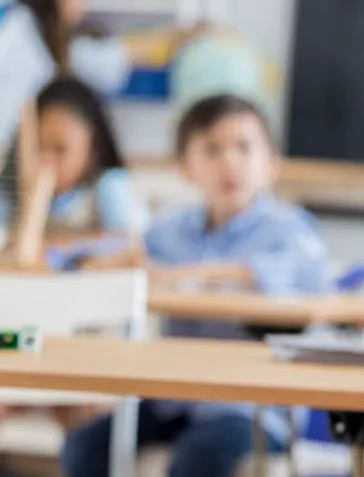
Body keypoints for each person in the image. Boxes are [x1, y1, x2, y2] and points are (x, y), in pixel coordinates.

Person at [60, 94, 331, 477]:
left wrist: (178, 276)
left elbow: (307, 276)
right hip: (174, 399)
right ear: (185, 167)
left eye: (243, 147)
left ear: (271, 164)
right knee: (86, 444)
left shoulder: (289, 228)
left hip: (250, 408)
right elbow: (105, 256)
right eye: (212, 150)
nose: (229, 162)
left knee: (195, 460)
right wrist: (105, 262)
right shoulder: (171, 229)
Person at [0, 0, 198, 158]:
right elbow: (113, 55)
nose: (82, 6)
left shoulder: (21, 28)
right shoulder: (31, 39)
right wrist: (186, 34)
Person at [0, 76, 147, 239]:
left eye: (60, 149)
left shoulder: (110, 187)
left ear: (93, 150)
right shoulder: (9, 196)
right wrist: (31, 204)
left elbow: (132, 245)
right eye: (37, 147)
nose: (46, 160)